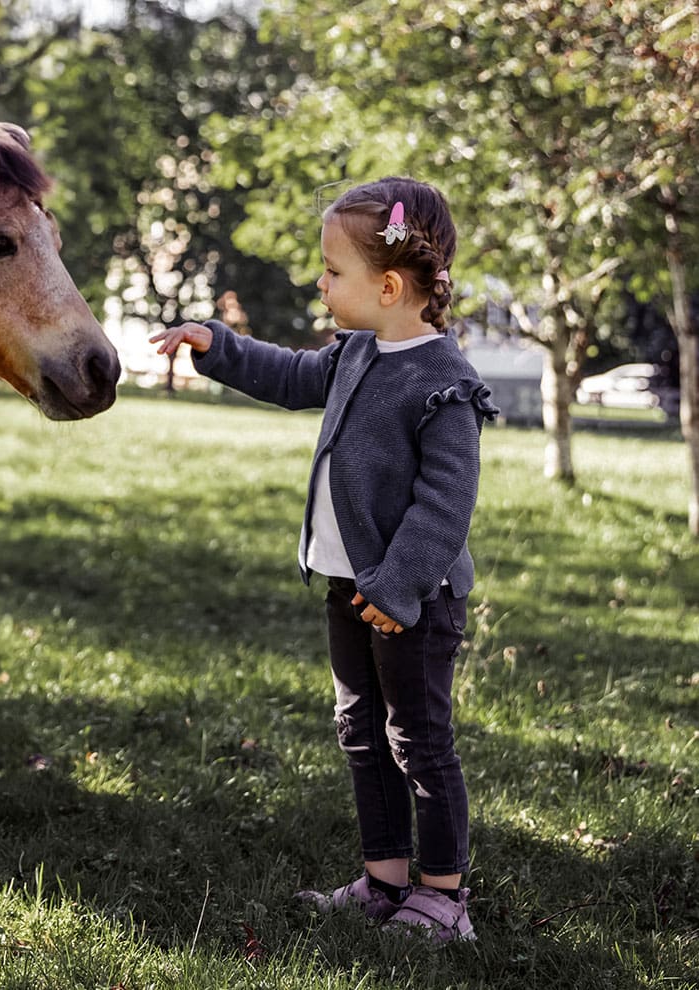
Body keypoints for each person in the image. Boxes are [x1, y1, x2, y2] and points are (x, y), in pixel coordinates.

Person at [150, 177, 498, 943]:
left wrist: (399, 586)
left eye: (333, 272)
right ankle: (385, 880)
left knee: (420, 741)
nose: (321, 282)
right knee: (361, 730)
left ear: (389, 284)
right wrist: (220, 346)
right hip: (348, 587)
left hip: (412, 598)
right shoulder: (354, 355)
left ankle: (444, 898)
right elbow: (287, 376)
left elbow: (445, 505)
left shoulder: (445, 384)